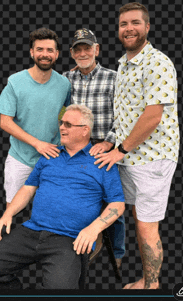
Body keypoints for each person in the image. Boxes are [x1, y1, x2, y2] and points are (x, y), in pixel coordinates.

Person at [0, 104, 125, 292]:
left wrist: (94, 229)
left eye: (68, 124)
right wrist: (8, 213)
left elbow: (117, 203)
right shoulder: (49, 155)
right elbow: (28, 188)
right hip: (32, 230)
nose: (61, 127)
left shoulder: (102, 161)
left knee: (61, 289)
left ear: (85, 130)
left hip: (69, 238)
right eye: (61, 123)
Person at [94, 2, 180, 289]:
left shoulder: (158, 62)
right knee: (134, 215)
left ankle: (151, 285)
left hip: (151, 158)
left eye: (135, 22)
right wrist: (110, 142)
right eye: (123, 24)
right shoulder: (124, 64)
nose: (128, 28)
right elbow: (125, 113)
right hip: (130, 155)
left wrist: (121, 149)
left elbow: (152, 115)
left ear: (147, 27)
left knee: (146, 224)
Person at [63, 28, 125, 269]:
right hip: (77, 147)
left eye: (87, 47)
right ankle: (76, 248)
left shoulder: (114, 77)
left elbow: (125, 116)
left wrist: (108, 142)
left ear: (97, 49)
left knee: (113, 200)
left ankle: (117, 253)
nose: (83, 52)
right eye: (77, 49)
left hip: (107, 147)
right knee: (77, 197)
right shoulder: (66, 79)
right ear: (71, 53)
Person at [0, 27, 71, 209]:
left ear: (57, 54)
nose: (45, 54)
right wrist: (37, 143)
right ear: (31, 52)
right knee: (12, 209)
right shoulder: (15, 81)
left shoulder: (64, 84)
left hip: (53, 158)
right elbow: (5, 121)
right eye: (40, 49)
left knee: (49, 209)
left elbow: (63, 113)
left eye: (50, 50)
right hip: (20, 158)